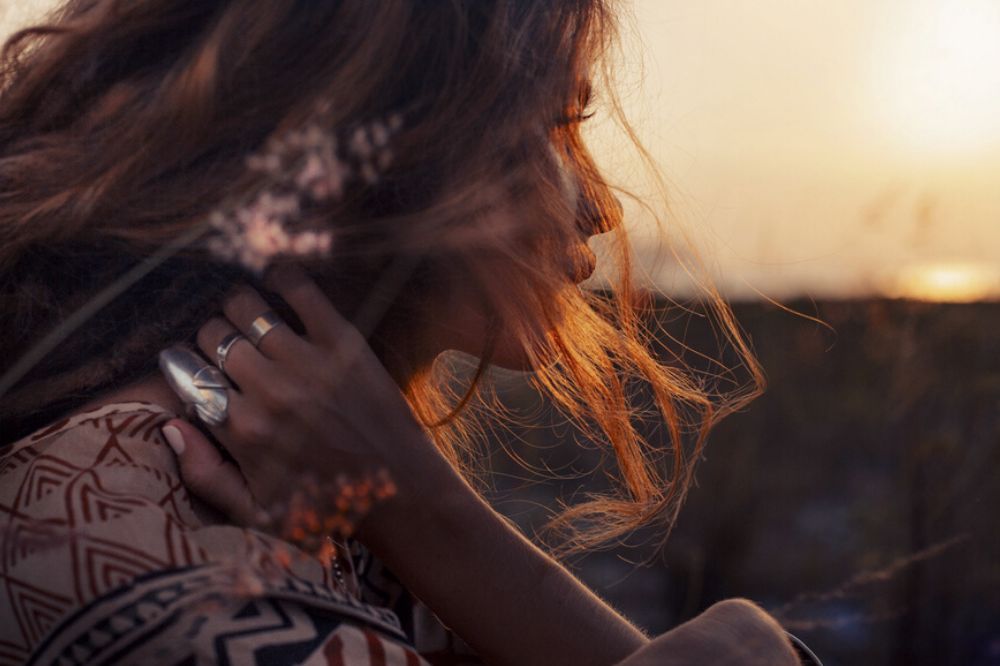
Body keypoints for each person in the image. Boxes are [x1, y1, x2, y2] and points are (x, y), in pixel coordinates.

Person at [0, 1, 816, 664]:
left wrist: (418, 508)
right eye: (554, 129)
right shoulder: (136, 536)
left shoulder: (309, 504)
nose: (598, 209)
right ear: (381, 163)